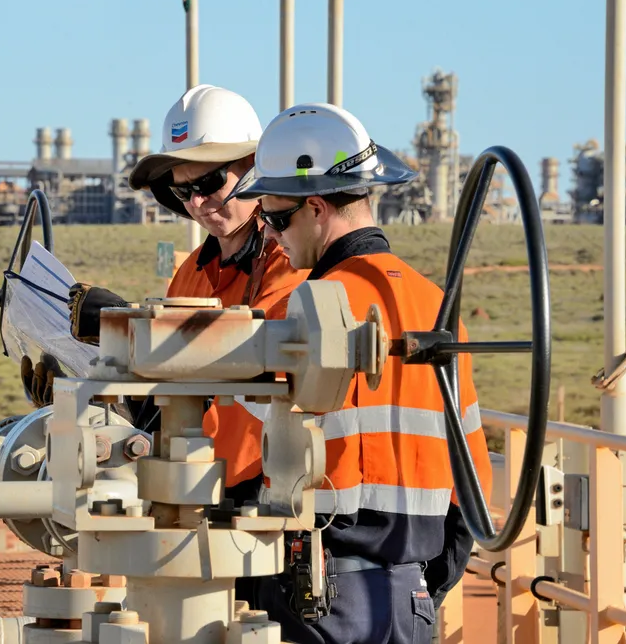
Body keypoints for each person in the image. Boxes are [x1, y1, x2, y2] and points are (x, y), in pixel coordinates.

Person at [225, 102, 493, 644]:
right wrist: (422, 588)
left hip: (316, 598)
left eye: (276, 218)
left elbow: (234, 466)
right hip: (410, 601)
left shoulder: (299, 312)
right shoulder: (438, 308)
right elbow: (472, 488)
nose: (272, 236)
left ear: (317, 207)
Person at [36, 84, 309, 511]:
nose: (198, 203)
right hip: (193, 478)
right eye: (183, 192)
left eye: (210, 182)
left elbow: (260, 350)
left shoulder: (290, 259)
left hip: (269, 487)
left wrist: (133, 327)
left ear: (254, 167)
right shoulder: (193, 272)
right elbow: (168, 389)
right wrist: (91, 384)